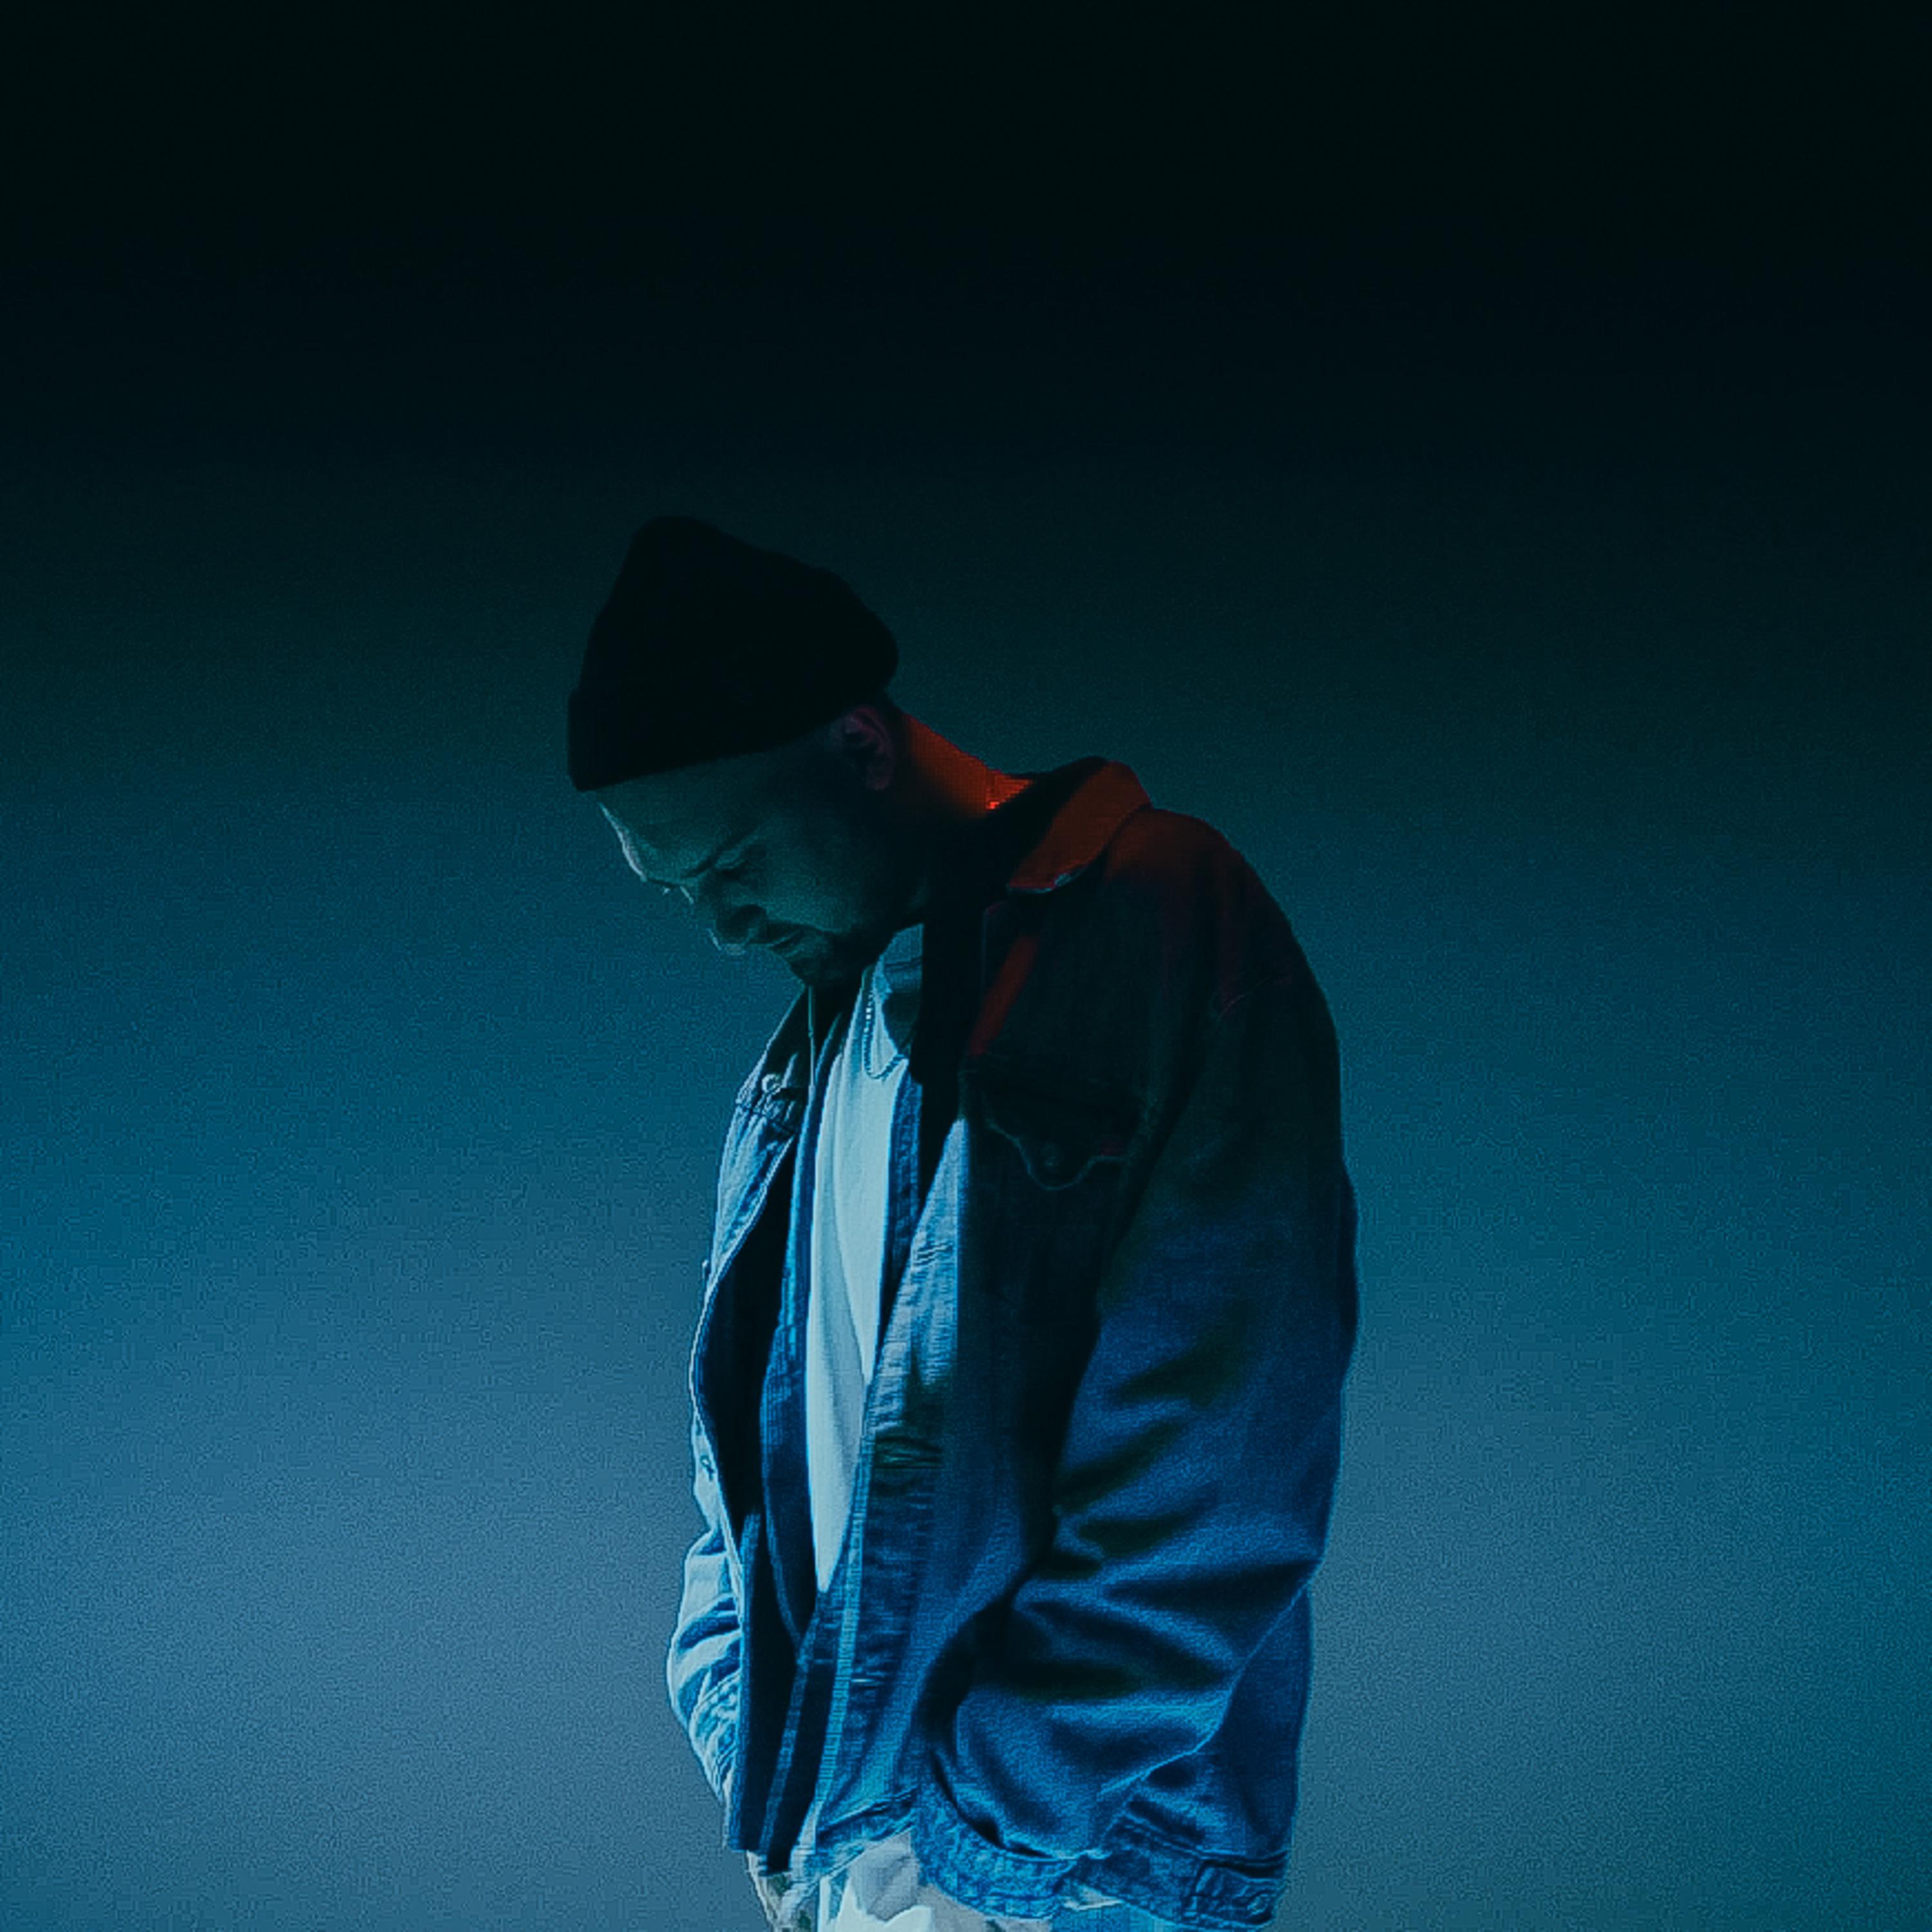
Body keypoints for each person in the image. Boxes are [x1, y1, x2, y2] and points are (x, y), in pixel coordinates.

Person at [567, 516, 1359, 1932]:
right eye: (681, 893)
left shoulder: (1154, 915)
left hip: (1067, 1876)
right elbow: (739, 1494)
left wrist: (988, 1837)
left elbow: (1223, 1445)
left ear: (860, 744)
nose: (725, 929)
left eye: (737, 862)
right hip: (870, 1871)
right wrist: (768, 1770)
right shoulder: (805, 1067)